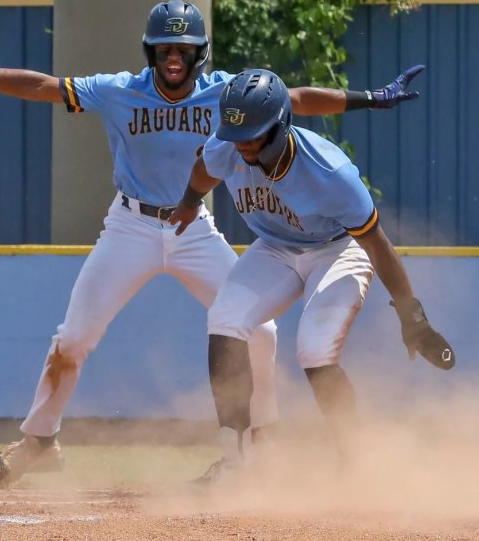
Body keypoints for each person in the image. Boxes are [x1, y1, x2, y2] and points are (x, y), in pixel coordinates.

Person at [0, 0, 424, 484]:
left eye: (183, 49)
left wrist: (371, 100)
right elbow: (44, 86)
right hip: (131, 225)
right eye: (163, 48)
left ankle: (260, 439)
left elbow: (297, 100)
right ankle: (41, 440)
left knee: (258, 331)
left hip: (193, 226)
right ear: (150, 51)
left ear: (199, 53)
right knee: (74, 338)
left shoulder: (225, 91)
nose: (173, 57)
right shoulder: (118, 89)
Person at [168, 68, 454, 473]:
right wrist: (188, 202)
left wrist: (413, 318)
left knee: (314, 349)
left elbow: (378, 245)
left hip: (338, 250)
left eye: (254, 132)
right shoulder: (227, 145)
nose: (243, 143)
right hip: (275, 248)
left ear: (280, 125)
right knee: (225, 318)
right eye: (237, 133)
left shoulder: (330, 173)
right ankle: (234, 464)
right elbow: (204, 171)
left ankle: (354, 463)